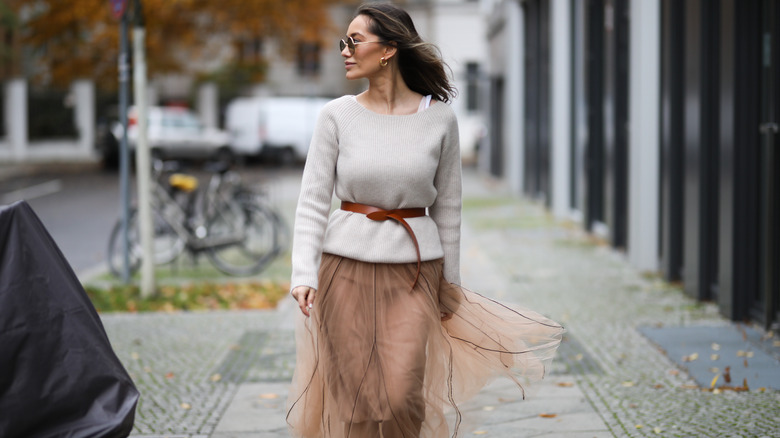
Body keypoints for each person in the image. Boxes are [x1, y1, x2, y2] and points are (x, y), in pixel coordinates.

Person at [286, 3, 564, 437]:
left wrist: (448, 284)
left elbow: (449, 210)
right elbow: (312, 202)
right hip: (344, 270)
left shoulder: (438, 119)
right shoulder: (335, 116)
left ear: (389, 50)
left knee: (402, 396)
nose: (344, 50)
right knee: (357, 400)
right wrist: (303, 273)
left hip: (416, 273)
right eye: (345, 41)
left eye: (354, 41)